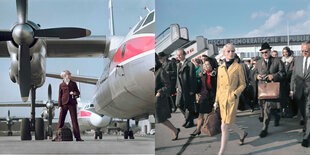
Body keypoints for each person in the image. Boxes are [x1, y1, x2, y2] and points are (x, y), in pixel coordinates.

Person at [215, 43, 247, 155]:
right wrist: (216, 101)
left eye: (233, 51)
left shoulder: (238, 67)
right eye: (228, 51)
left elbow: (243, 84)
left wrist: (235, 94)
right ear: (224, 53)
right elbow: (218, 86)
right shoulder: (220, 68)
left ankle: (221, 152)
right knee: (228, 122)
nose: (231, 53)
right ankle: (242, 133)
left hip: (232, 99)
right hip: (222, 100)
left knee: (224, 126)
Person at [254, 42, 285, 138]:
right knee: (267, 108)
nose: (264, 54)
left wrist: (274, 76)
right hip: (263, 89)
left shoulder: (277, 61)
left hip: (273, 89)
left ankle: (265, 128)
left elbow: (283, 73)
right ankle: (268, 125)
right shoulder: (259, 63)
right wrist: (257, 76)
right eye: (262, 53)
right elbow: (253, 74)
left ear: (270, 51)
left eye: (266, 52)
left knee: (269, 108)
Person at [155, 54, 180, 141]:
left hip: (159, 98)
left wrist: (159, 92)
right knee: (160, 119)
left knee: (161, 118)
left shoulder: (160, 71)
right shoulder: (152, 71)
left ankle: (175, 130)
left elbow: (167, 85)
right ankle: (175, 130)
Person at [290, 41, 310, 147]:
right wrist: (292, 90)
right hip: (299, 91)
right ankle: (307, 128)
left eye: (306, 50)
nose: (304, 52)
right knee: (303, 112)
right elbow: (293, 75)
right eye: (302, 51)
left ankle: (306, 137)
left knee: (308, 112)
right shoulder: (298, 60)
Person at [191, 58, 217, 136]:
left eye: (207, 64)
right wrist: (197, 94)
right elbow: (200, 86)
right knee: (201, 114)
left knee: (213, 114)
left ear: (212, 65)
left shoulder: (216, 74)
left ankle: (214, 128)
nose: (205, 66)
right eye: (204, 64)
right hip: (204, 96)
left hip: (213, 97)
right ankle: (197, 130)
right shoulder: (203, 74)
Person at [57, 70, 83, 141]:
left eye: (69, 75)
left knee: (74, 121)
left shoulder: (73, 84)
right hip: (64, 104)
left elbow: (78, 93)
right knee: (60, 121)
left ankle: (78, 137)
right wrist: (59, 106)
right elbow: (59, 96)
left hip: (72, 104)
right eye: (66, 75)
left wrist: (74, 93)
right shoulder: (61, 85)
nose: (68, 76)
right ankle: (57, 137)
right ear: (64, 76)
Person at [175, 48, 197, 128]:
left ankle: (189, 121)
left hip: (187, 89)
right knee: (178, 104)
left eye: (180, 55)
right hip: (180, 88)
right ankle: (188, 118)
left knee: (188, 105)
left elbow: (192, 78)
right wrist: (177, 86)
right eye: (178, 55)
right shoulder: (179, 65)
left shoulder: (189, 64)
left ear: (184, 54)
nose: (179, 56)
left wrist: (192, 90)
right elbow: (177, 77)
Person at [281, 47, 295, 118]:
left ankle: (291, 113)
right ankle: (284, 112)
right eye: (283, 52)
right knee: (284, 97)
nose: (285, 53)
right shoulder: (281, 60)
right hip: (283, 82)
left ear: (289, 52)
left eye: (286, 52)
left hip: (290, 81)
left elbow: (292, 71)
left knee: (290, 97)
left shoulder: (293, 60)